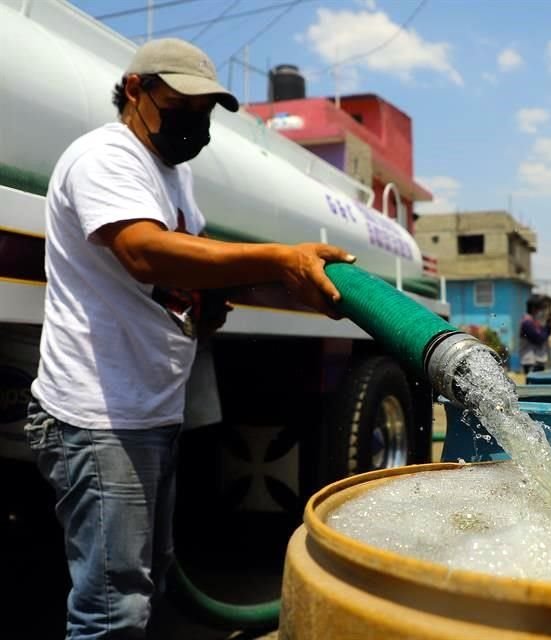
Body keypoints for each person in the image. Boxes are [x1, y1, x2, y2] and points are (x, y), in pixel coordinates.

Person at [24, 38, 355, 638]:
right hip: (101, 416)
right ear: (135, 90)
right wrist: (280, 259)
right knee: (111, 609)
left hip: (148, 410)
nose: (196, 123)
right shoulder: (105, 156)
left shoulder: (173, 176)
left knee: (141, 581)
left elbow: (195, 270)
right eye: (184, 105)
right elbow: (145, 253)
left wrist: (286, 289)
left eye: (206, 112)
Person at [519, 297, 551, 375]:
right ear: (534, 308)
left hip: (537, 360)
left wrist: (549, 324)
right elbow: (539, 338)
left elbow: (544, 334)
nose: (541, 311)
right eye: (540, 308)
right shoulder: (527, 322)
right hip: (531, 361)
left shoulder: (533, 321)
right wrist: (547, 327)